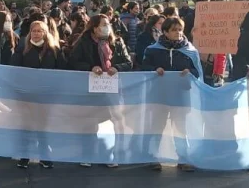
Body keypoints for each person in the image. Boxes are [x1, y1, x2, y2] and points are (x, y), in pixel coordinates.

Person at [70, 14, 133, 168]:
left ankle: (109, 155)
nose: (107, 27)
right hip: (91, 91)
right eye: (103, 24)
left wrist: (116, 68)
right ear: (94, 27)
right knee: (89, 123)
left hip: (112, 89)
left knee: (112, 123)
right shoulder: (83, 43)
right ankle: (87, 154)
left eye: (108, 24)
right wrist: (90, 67)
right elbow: (73, 62)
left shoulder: (117, 42)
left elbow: (128, 62)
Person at [142, 17, 204, 172]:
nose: (178, 33)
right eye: (174, 30)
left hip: (181, 94)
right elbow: (143, 68)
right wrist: (154, 69)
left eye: (180, 29)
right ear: (165, 32)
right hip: (159, 95)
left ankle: (183, 158)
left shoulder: (190, 51)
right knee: (157, 125)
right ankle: (152, 156)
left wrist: (190, 72)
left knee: (180, 127)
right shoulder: (152, 50)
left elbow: (198, 72)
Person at [11, 20, 66, 169]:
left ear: (45, 32)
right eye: (33, 31)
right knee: (26, 125)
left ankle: (44, 155)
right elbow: (14, 70)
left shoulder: (54, 50)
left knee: (43, 125)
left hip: (46, 95)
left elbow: (61, 70)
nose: (36, 34)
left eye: (39, 31)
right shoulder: (22, 49)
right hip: (27, 95)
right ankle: (25, 155)